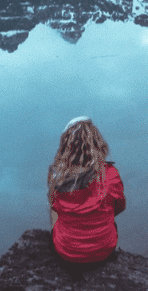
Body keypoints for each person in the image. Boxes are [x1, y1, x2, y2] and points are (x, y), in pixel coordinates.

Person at [47, 116, 126, 280]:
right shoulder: (110, 174)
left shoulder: (56, 176)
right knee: (108, 209)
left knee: (54, 208)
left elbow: (55, 207)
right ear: (97, 143)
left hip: (66, 253)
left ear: (66, 146)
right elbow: (119, 207)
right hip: (103, 251)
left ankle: (64, 239)